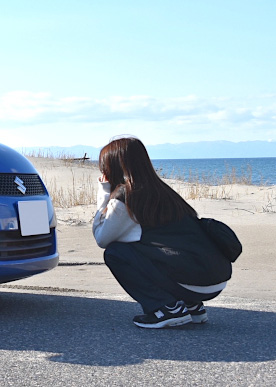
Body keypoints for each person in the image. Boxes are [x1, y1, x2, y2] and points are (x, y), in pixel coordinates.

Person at [92, 136, 233, 328]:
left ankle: (166, 309)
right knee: (154, 247)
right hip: (215, 278)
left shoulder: (126, 196)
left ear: (113, 167)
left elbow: (102, 238)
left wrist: (104, 195)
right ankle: (191, 307)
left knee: (116, 253)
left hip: (194, 280)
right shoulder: (164, 191)